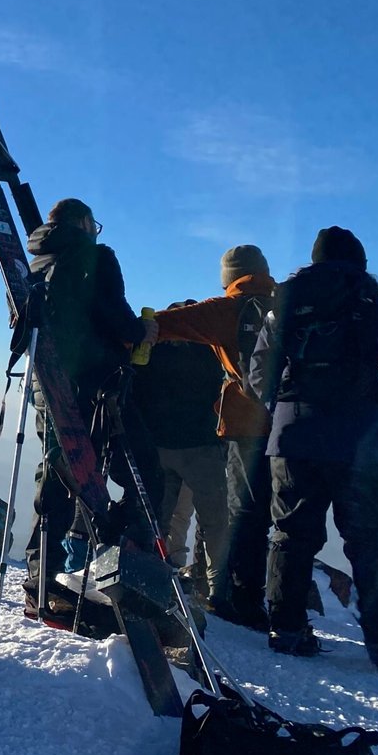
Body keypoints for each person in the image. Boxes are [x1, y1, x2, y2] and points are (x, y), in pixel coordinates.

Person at [247, 227, 378, 667]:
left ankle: (287, 631)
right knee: (370, 542)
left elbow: (258, 374)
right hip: (360, 442)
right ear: (360, 266)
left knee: (290, 535)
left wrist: (285, 411)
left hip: (293, 439)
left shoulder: (283, 307)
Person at [23, 198, 159, 617]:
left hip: (48, 385)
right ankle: (132, 568)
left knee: (56, 479)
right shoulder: (95, 256)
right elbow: (118, 320)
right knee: (143, 471)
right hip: (97, 388)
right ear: (84, 223)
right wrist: (144, 329)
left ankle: (39, 582)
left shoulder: (32, 264)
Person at [151, 245, 277, 630]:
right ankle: (231, 592)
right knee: (262, 517)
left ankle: (231, 598)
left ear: (228, 277)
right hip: (294, 426)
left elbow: (162, 323)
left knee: (239, 513)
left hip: (242, 427)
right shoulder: (290, 302)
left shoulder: (224, 310)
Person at [133, 332, 229, 606]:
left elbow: (139, 391)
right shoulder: (206, 349)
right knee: (215, 520)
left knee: (157, 517)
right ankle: (215, 588)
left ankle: (151, 576)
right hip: (201, 446)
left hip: (159, 445)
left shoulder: (153, 349)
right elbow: (215, 389)